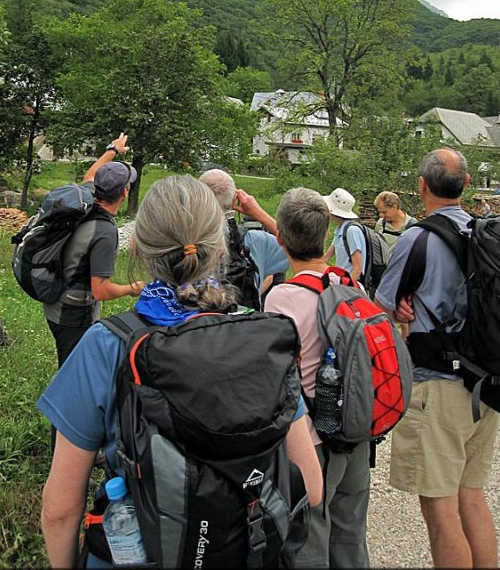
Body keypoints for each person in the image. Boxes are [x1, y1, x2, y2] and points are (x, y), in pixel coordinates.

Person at [38, 175, 322, 569]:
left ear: (136, 247)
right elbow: (312, 485)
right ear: (220, 247)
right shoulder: (261, 337)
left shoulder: (106, 344)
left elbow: (60, 510)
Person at [374, 149, 500, 569]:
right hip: (485, 381)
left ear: (421, 186)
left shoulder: (417, 237)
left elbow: (385, 302)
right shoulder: (487, 234)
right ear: (467, 185)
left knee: (441, 511)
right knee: (472, 498)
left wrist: (405, 305)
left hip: (438, 385)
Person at [236, 186, 371, 569]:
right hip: (355, 433)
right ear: (327, 234)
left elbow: (277, 374)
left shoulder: (282, 298)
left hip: (313, 440)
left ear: (280, 237)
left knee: (309, 538)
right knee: (350, 536)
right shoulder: (350, 285)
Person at [43, 133, 145, 369]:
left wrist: (114, 150)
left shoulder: (85, 199)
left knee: (76, 366)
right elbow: (100, 290)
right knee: (73, 371)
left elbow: (90, 174)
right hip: (72, 313)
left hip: (55, 297)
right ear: (125, 192)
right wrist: (133, 289)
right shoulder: (104, 232)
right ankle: (63, 405)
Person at [199, 169, 289, 301]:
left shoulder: (179, 239)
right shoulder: (255, 241)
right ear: (234, 199)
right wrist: (258, 213)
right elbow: (300, 249)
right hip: (243, 319)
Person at [321, 187, 367, 283]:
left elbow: (357, 268)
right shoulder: (340, 229)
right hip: (342, 280)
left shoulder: (352, 230)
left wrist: (345, 289)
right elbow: (326, 257)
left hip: (351, 283)